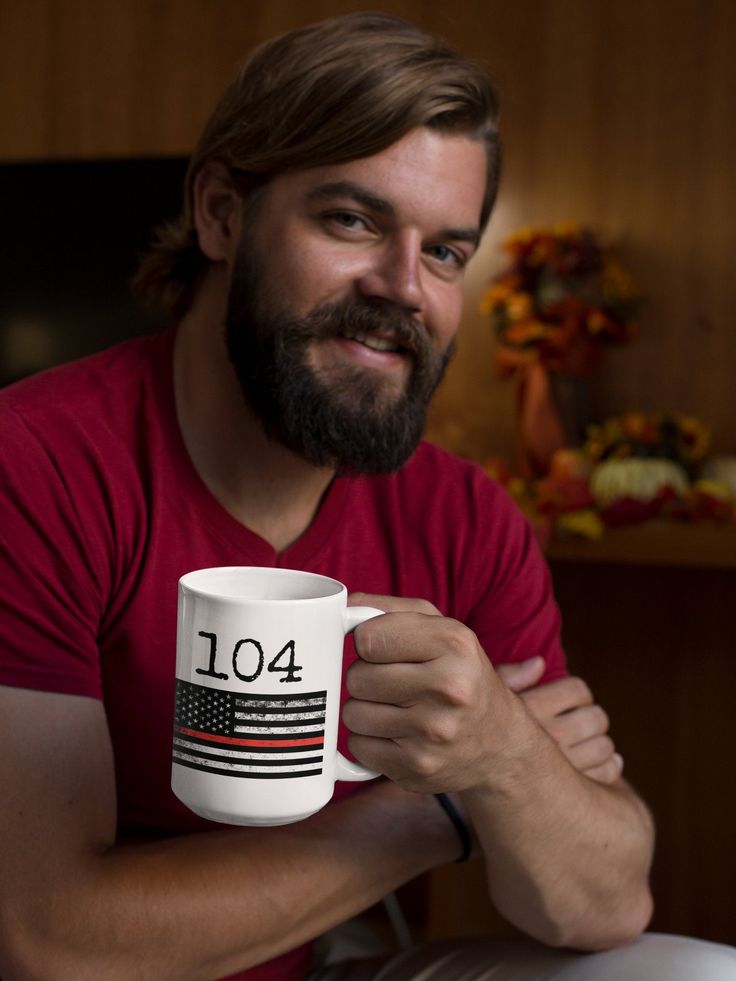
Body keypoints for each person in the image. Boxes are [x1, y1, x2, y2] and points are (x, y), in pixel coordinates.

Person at [0, 12, 734, 981]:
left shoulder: (466, 517)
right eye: (353, 220)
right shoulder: (36, 463)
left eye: (444, 253)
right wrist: (432, 813)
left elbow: (603, 901)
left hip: (320, 966)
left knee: (691, 973)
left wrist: (504, 755)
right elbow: (48, 938)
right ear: (222, 212)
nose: (404, 287)